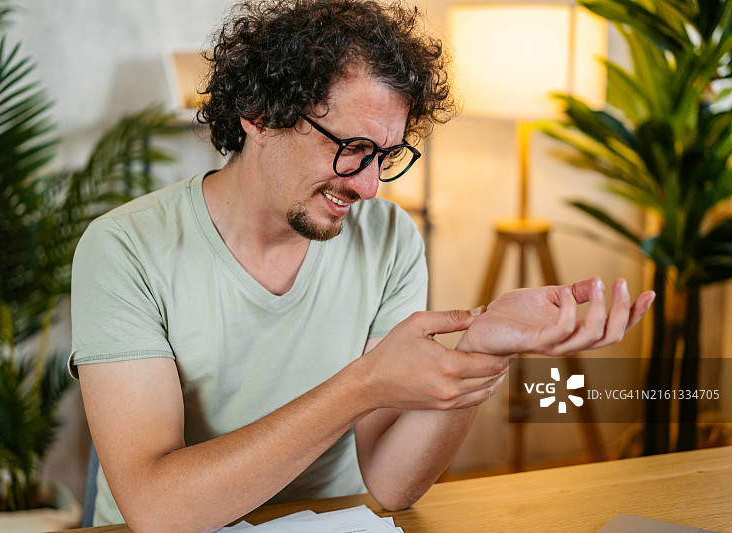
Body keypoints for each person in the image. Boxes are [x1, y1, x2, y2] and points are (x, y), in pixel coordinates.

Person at [69, 0, 655, 531]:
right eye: (351, 148)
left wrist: (482, 350)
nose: (370, 186)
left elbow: (393, 485)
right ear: (260, 115)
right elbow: (157, 511)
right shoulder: (124, 249)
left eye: (385, 155)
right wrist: (363, 384)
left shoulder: (389, 238)